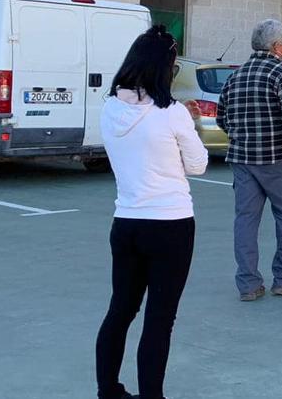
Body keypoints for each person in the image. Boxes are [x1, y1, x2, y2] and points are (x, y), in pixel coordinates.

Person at [95, 25, 208, 399]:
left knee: (120, 311)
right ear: (165, 68)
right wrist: (189, 124)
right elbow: (198, 164)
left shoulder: (109, 107)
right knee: (160, 320)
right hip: (170, 224)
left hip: (126, 221)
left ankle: (108, 390)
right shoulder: (172, 113)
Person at [218, 19, 282, 302]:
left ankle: (248, 284)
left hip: (243, 160)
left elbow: (222, 117)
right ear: (276, 46)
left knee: (245, 220)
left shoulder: (237, 75)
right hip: (279, 159)